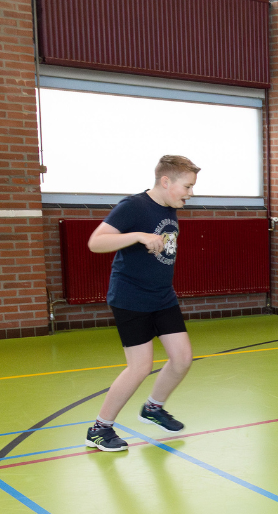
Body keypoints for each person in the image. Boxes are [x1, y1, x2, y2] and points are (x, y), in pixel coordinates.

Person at [84, 155, 200, 452]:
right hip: (131, 297)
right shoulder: (134, 206)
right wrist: (136, 235)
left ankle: (153, 407)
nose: (190, 193)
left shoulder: (169, 206)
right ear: (165, 181)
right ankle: (100, 428)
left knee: (182, 358)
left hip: (162, 295)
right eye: (186, 186)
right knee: (139, 367)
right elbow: (96, 242)